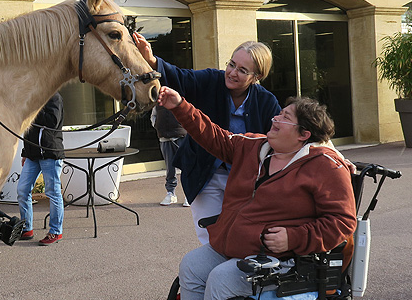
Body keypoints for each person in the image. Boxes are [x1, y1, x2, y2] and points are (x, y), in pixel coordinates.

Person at [158, 86, 357, 300]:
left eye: (285, 117)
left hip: (284, 258)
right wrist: (180, 106)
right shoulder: (254, 147)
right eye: (279, 113)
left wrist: (293, 238)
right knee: (191, 266)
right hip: (234, 246)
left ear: (304, 134)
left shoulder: (326, 166)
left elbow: (343, 221)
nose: (275, 118)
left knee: (221, 279)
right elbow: (214, 136)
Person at [134, 35, 280, 243]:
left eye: (242, 70)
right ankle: (211, 274)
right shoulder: (212, 80)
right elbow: (180, 77)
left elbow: (279, 141)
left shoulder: (267, 102)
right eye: (231, 64)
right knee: (210, 239)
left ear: (257, 76)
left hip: (243, 180)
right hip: (205, 174)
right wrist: (151, 59)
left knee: (241, 238)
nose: (232, 72)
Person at [17, 93, 65, 246]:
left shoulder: (54, 97)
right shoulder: (33, 97)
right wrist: (25, 153)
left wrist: (33, 110)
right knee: (22, 190)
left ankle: (56, 232)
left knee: (53, 192)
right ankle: (27, 228)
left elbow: (52, 121)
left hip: (50, 153)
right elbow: (28, 129)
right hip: (33, 155)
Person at [151, 105, 189, 207]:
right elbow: (153, 116)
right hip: (164, 138)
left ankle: (189, 195)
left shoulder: (181, 97)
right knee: (170, 168)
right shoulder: (158, 102)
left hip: (182, 137)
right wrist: (158, 127)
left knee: (187, 167)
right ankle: (170, 193)